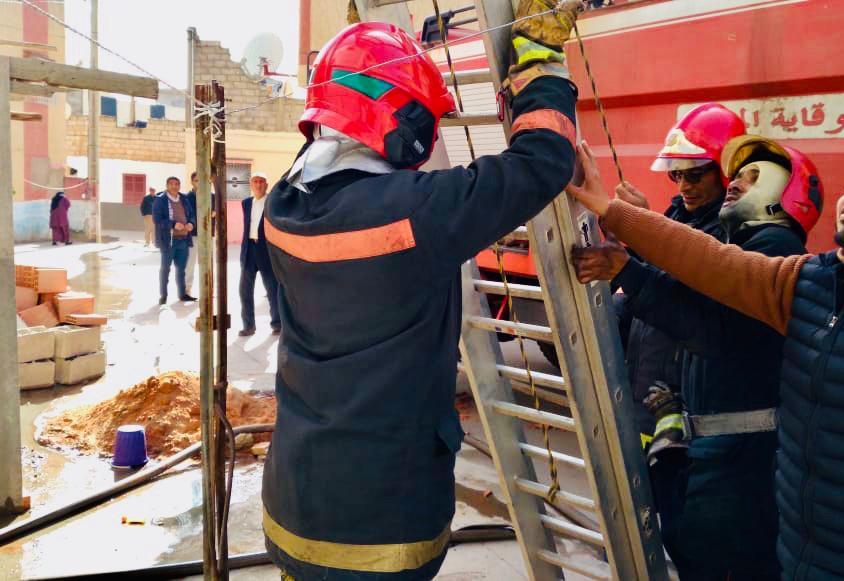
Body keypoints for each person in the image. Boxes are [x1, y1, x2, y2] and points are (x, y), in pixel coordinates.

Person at [261, 2, 581, 578]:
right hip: (381, 528)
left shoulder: (281, 209)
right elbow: (542, 161)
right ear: (401, 121)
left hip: (292, 504)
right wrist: (540, 62)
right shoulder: (417, 215)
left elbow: (324, 152)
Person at [567, 138, 843, 580]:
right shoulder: (759, 248)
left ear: (786, 195)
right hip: (723, 450)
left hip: (739, 462)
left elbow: (712, 328)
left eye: (752, 177)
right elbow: (696, 261)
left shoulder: (774, 248)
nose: (735, 184)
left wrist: (628, 267)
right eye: (736, 174)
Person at [609, 104, 745, 440]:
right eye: (676, 173)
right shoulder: (678, 215)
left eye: (695, 174)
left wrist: (644, 232)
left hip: (679, 408)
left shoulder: (729, 235)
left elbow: (677, 295)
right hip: (647, 397)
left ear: (726, 172)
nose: (684, 185)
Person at [239, 172, 279, 336]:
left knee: (272, 289)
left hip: (266, 250)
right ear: (251, 184)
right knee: (245, 290)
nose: (258, 184)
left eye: (261, 181)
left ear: (266, 185)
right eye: (255, 181)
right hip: (249, 249)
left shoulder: (273, 202)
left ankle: (277, 324)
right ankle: (249, 325)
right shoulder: (246, 203)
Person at [152, 176, 197, 305]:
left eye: (177, 184)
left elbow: (191, 215)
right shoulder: (160, 200)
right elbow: (157, 219)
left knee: (181, 269)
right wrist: (172, 224)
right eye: (171, 184)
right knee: (165, 268)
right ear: (167, 185)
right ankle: (163, 296)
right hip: (168, 240)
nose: (174, 186)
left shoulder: (183, 199)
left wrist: (190, 224)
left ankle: (182, 294)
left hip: (183, 239)